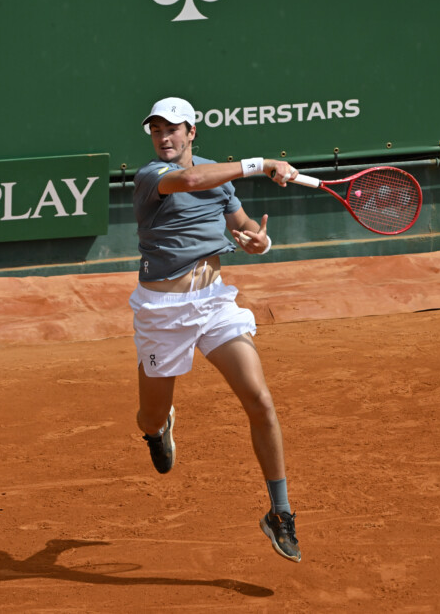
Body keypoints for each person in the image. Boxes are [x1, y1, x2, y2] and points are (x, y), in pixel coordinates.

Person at [130, 96, 302, 562]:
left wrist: (259, 242)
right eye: (156, 130)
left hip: (213, 303)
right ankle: (158, 429)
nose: (163, 138)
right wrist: (261, 164)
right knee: (149, 416)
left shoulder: (219, 177)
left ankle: (280, 512)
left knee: (260, 399)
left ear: (191, 132)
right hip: (162, 313)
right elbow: (190, 180)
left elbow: (245, 228)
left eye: (172, 129)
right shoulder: (152, 176)